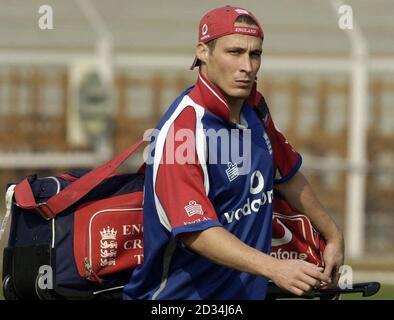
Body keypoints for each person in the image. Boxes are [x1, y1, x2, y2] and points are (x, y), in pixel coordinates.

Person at [123, 5, 344, 300]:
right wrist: (275, 268)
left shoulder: (255, 109)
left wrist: (332, 235)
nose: (248, 66)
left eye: (255, 54)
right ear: (203, 52)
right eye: (234, 52)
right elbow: (195, 232)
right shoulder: (183, 131)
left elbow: (287, 175)